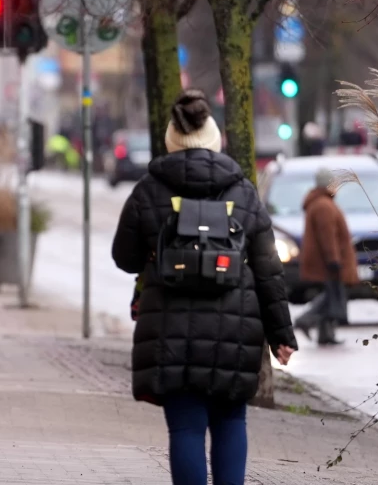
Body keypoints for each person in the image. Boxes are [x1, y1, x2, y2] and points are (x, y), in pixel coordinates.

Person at [110, 89, 298, 485]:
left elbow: (124, 258)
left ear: (170, 140)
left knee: (186, 429)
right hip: (236, 328)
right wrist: (281, 333)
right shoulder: (242, 191)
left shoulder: (149, 188)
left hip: (169, 331)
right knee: (231, 422)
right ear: (215, 139)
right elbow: (267, 268)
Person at [293, 168, 358, 345]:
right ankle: (304, 320)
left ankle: (326, 335)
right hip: (328, 263)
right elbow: (327, 236)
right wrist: (334, 260)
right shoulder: (323, 205)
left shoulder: (321, 203)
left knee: (331, 295)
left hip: (324, 261)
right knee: (330, 297)